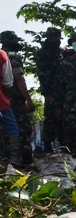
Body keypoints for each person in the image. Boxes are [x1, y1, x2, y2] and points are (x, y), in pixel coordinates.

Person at [1, 31, 37, 165]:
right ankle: (24, 161)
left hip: (3, 99)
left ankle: (6, 160)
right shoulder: (12, 56)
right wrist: (28, 99)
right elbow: (19, 78)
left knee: (4, 130)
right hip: (13, 99)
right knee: (22, 128)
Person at [35, 27, 66, 152]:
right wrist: (47, 94)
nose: (56, 41)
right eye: (54, 39)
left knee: (62, 120)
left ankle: (64, 147)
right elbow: (43, 75)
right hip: (50, 91)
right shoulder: (43, 53)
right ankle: (47, 147)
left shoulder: (59, 52)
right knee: (50, 119)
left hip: (62, 91)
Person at [0, 47, 20, 166]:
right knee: (12, 129)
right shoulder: (2, 55)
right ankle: (14, 159)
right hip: (1, 102)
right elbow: (8, 82)